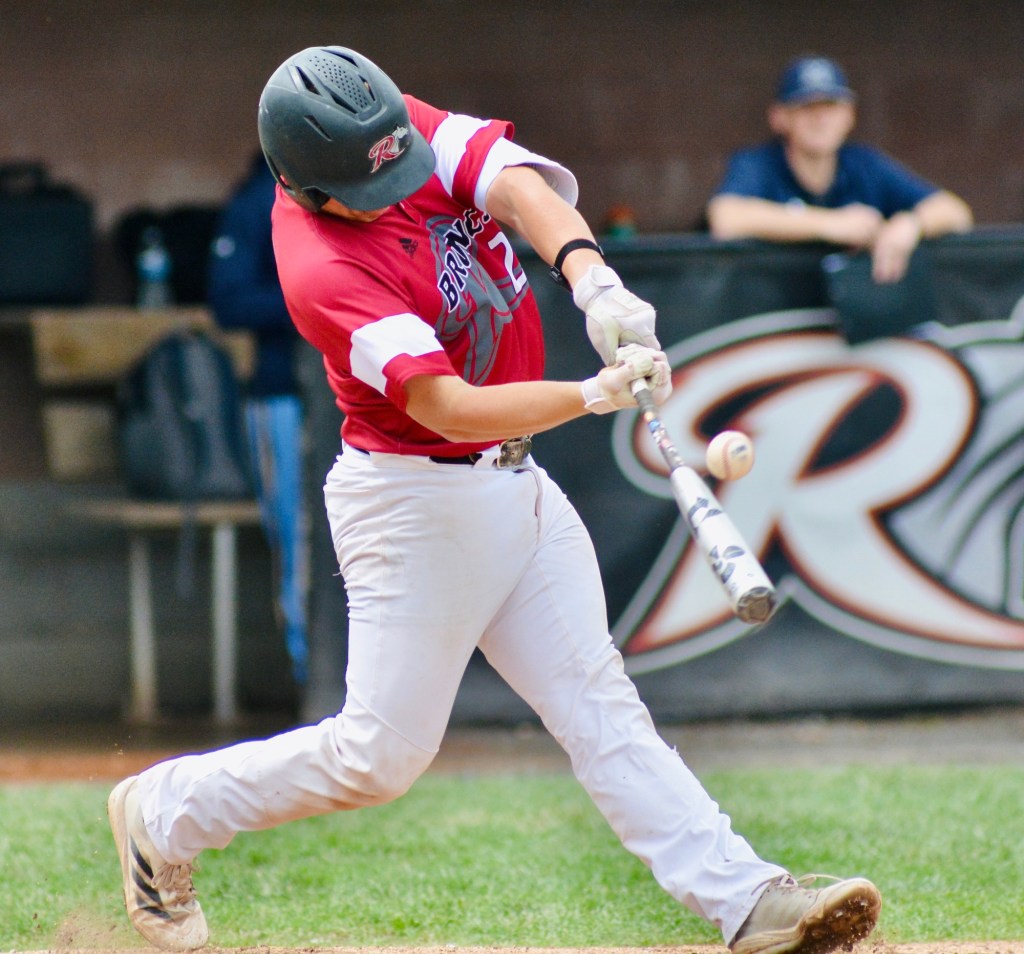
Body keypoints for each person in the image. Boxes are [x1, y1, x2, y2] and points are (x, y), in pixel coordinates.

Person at [108, 45, 882, 954]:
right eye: (370, 188)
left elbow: (513, 185)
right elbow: (448, 407)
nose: (398, 189)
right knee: (381, 758)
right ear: (309, 187)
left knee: (599, 702)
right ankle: (164, 811)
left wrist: (593, 277)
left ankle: (747, 902)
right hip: (412, 503)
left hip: (516, 484)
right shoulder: (319, 266)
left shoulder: (383, 128)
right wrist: (592, 395)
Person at [706, 55, 973, 283]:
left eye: (831, 106)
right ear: (780, 117)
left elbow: (955, 211)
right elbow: (726, 218)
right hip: (772, 317)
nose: (821, 118)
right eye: (807, 107)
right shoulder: (758, 164)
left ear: (849, 115)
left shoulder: (864, 164)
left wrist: (909, 225)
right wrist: (830, 223)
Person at [207, 153, 310, 685]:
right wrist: (318, 299)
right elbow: (228, 301)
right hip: (283, 396)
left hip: (357, 394)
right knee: (297, 537)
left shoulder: (358, 195)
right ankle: (309, 674)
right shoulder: (257, 203)